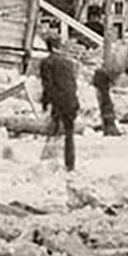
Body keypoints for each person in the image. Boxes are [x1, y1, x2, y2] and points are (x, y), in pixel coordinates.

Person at [38, 32, 79, 171]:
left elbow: (47, 86)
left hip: (58, 101)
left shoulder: (46, 63)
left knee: (53, 130)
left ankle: (47, 161)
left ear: (48, 46)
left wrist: (46, 103)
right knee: (69, 134)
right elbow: (73, 84)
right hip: (71, 100)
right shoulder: (69, 63)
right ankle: (70, 165)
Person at [92, 44, 126, 138]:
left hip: (101, 91)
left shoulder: (99, 72)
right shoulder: (102, 72)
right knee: (107, 108)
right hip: (104, 92)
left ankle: (107, 128)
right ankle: (110, 129)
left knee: (105, 108)